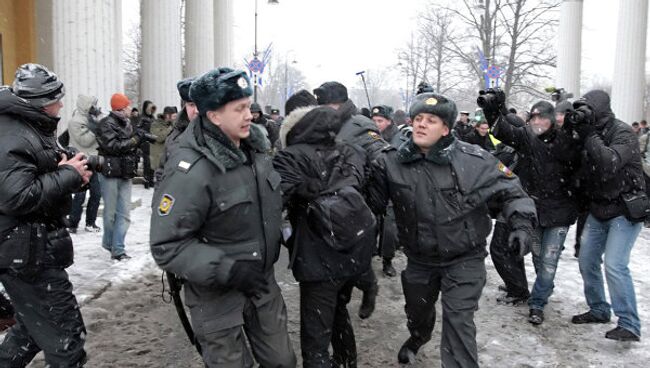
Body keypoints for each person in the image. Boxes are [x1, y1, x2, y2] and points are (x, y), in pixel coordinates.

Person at [366, 92, 536, 366]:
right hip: (419, 259)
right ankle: (418, 336)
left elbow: (513, 192)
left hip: (464, 258)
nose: (421, 124)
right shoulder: (390, 161)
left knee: (459, 321)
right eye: (418, 118)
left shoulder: (475, 159)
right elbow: (370, 204)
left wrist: (522, 223)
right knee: (417, 312)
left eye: (431, 120)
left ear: (446, 129)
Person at [150, 67, 296, 367]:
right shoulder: (190, 167)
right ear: (214, 116)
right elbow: (167, 244)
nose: (249, 115)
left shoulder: (255, 151)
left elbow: (270, 205)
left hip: (261, 283)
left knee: (283, 362)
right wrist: (227, 270)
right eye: (239, 108)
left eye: (248, 106)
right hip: (216, 293)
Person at [0, 63, 91, 367]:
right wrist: (67, 175)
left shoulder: (28, 127)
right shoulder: (14, 133)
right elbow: (17, 197)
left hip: (30, 249)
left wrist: (67, 170)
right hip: (27, 255)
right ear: (40, 103)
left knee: (30, 331)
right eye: (56, 99)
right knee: (67, 342)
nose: (61, 104)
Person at [274, 105, 374, 368]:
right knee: (339, 313)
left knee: (315, 338)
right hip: (352, 251)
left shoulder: (290, 157)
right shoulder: (350, 151)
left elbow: (275, 201)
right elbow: (366, 186)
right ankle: (346, 362)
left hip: (317, 259)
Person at [489, 99, 580, 325]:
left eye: (543, 117)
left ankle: (537, 304)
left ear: (552, 120)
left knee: (548, 262)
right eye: (534, 117)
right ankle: (542, 290)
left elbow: (581, 173)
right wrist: (493, 110)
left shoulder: (567, 142)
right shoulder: (527, 139)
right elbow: (505, 131)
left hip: (559, 214)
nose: (538, 122)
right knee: (539, 260)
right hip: (535, 212)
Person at [568, 90, 645, 342]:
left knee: (615, 264)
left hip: (623, 209)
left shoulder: (623, 133)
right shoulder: (587, 133)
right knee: (587, 260)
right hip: (598, 207)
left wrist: (590, 135)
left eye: (586, 109)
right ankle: (599, 309)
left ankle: (629, 323)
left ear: (599, 110)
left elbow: (608, 162)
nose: (583, 114)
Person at [313, 81, 390, 320]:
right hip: (330, 204)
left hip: (357, 205)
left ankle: (368, 286)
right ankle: (341, 303)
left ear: (338, 105)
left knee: (356, 259)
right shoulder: (323, 124)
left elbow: (380, 156)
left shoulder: (360, 125)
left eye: (326, 105)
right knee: (337, 259)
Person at [97, 93, 148, 261]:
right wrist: (134, 141)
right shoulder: (106, 124)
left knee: (125, 212)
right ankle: (109, 243)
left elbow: (127, 146)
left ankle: (118, 248)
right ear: (120, 107)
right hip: (110, 173)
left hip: (125, 172)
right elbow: (113, 146)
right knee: (111, 212)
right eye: (127, 106)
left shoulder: (127, 123)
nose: (130, 109)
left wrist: (137, 147)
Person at [371, 104, 407, 277]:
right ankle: (370, 252)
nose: (377, 123)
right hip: (374, 186)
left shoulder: (398, 138)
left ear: (389, 121)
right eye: (374, 120)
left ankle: (387, 260)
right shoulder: (370, 136)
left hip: (393, 186)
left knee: (390, 228)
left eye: (380, 120)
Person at [66, 94, 103, 233]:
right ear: (85, 105)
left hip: (94, 159)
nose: (94, 107)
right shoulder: (75, 121)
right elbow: (85, 141)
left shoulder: (92, 120)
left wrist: (99, 122)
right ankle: (73, 223)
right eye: (92, 104)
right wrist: (96, 129)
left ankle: (90, 223)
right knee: (80, 195)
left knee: (96, 193)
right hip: (81, 160)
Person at [155, 77, 199, 185]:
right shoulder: (174, 136)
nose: (196, 110)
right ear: (185, 106)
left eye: (199, 104)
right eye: (191, 105)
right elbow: (161, 173)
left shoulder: (219, 135)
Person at [149, 106, 176, 179]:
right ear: (168, 116)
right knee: (160, 185)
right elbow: (159, 138)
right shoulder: (155, 124)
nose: (175, 118)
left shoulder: (172, 124)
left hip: (170, 159)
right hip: (159, 161)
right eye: (174, 116)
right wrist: (170, 129)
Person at [138, 100, 156, 188]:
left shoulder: (153, 118)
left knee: (152, 163)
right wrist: (147, 135)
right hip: (146, 142)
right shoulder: (142, 118)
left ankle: (151, 179)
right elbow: (138, 129)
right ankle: (146, 181)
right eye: (149, 107)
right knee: (147, 163)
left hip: (153, 143)